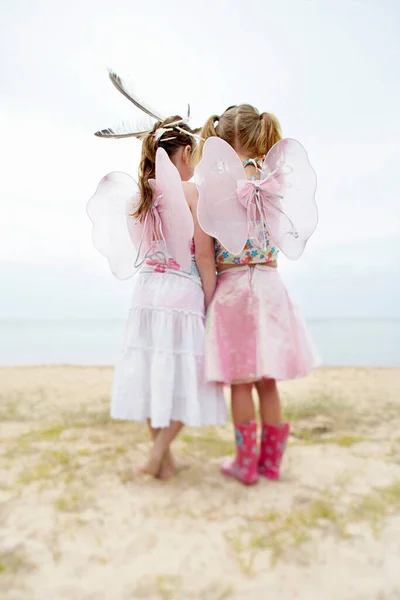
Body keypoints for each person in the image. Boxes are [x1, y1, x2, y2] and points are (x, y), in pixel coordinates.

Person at [87, 71, 226, 480]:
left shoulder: (139, 195)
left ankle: (162, 460)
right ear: (184, 152)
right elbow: (203, 256)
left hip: (146, 293)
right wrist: (211, 299)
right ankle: (156, 456)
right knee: (188, 378)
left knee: (153, 375)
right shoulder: (192, 193)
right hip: (181, 294)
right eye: (194, 154)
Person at [193, 104, 319, 485]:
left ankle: (246, 464)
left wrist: (208, 299)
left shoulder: (213, 187)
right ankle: (272, 463)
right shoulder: (275, 180)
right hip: (269, 285)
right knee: (268, 381)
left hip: (232, 289)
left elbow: (205, 251)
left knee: (241, 381)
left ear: (220, 140)